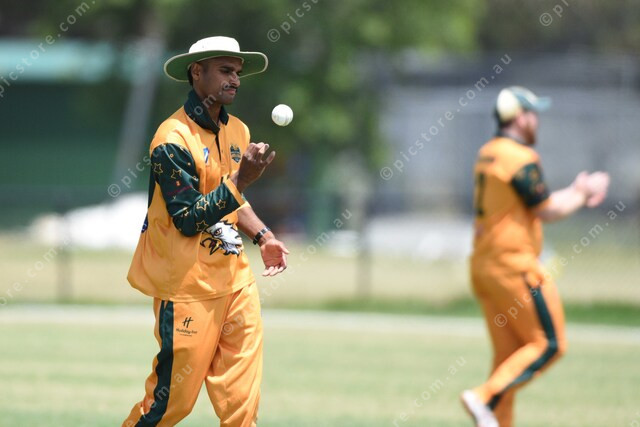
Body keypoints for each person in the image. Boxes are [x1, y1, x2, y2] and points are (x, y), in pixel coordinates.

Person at [122, 36, 289, 427]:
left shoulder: (238, 131)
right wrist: (242, 180)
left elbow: (232, 200)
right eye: (226, 71)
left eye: (238, 73)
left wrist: (263, 236)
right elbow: (187, 218)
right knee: (170, 406)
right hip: (186, 289)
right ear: (197, 72)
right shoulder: (171, 139)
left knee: (242, 408)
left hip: (236, 283)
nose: (236, 80)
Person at [461, 86, 610, 427]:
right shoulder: (520, 157)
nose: (536, 120)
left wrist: (577, 191)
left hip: (484, 266)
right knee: (550, 343)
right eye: (533, 113)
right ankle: (484, 398)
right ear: (520, 117)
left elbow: (531, 203)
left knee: (509, 357)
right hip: (514, 266)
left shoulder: (489, 152)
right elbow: (547, 211)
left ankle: (495, 417)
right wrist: (583, 195)